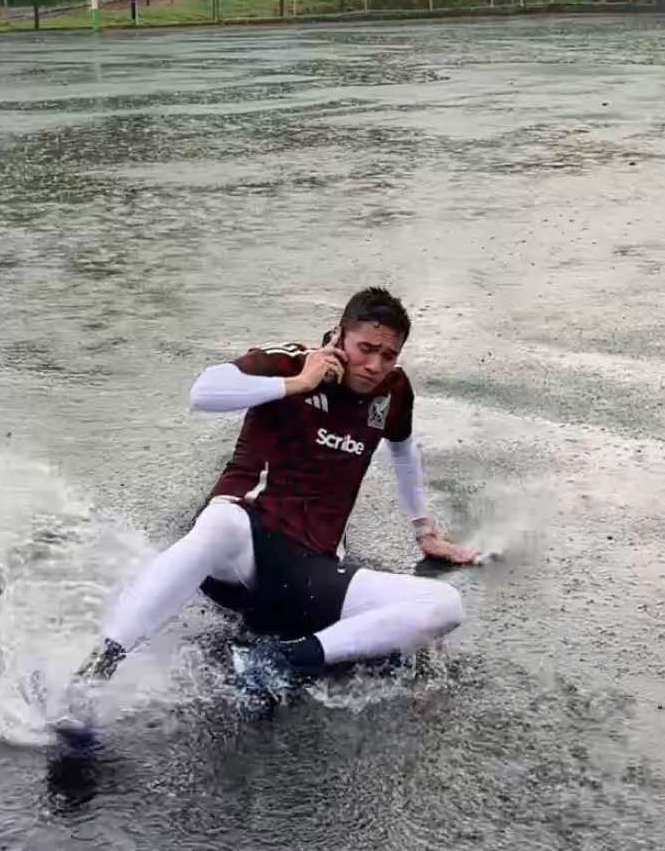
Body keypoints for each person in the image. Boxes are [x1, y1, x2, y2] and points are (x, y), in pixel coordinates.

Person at [72, 286, 478, 703]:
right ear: (339, 337)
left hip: (309, 573)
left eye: (388, 355)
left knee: (445, 605)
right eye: (365, 348)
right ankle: (99, 665)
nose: (375, 365)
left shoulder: (392, 389)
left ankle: (280, 659)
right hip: (241, 556)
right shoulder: (289, 361)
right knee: (220, 521)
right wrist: (297, 383)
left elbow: (403, 448)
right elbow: (204, 392)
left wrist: (424, 529)